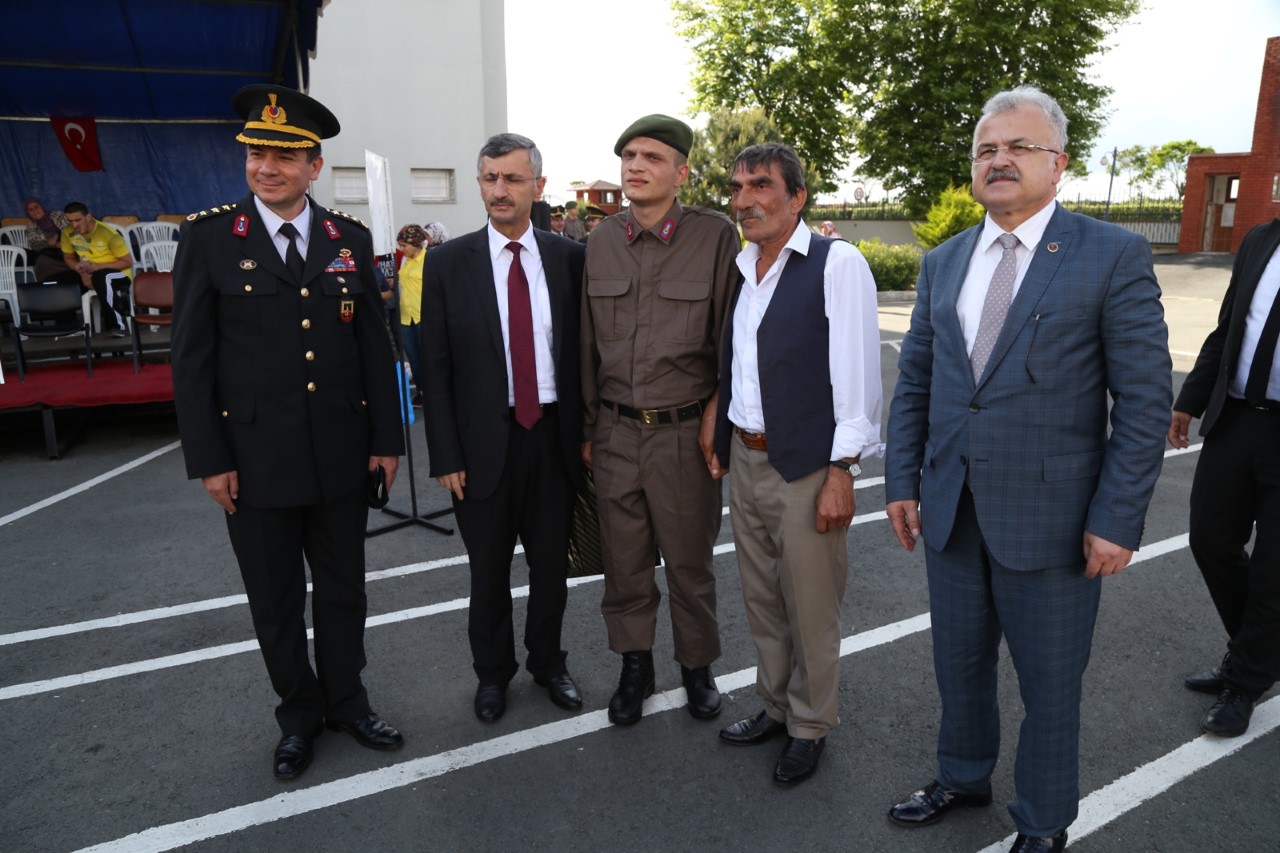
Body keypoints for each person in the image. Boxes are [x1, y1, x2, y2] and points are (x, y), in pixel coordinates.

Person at [884, 86, 1171, 853]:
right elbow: (917, 381)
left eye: (1018, 146)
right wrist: (903, 480)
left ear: (1058, 163)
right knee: (959, 662)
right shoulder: (944, 262)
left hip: (1054, 522)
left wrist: (1116, 517)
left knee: (1050, 685)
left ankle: (1043, 822)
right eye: (986, 148)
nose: (999, 159)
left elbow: (1145, 399)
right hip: (952, 508)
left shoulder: (1109, 254)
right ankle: (962, 774)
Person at [170, 84, 406, 781]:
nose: (266, 168)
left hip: (340, 453)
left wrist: (386, 441)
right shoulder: (211, 237)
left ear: (314, 166)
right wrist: (209, 459)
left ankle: (348, 702)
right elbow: (191, 359)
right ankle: (299, 715)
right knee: (275, 600)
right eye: (255, 154)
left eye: (283, 156)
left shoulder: (347, 239)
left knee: (343, 589)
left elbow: (374, 348)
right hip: (254, 460)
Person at [711, 143, 882, 785]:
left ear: (798, 197)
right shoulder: (742, 267)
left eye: (761, 185)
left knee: (810, 606)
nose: (745, 200)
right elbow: (739, 365)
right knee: (762, 598)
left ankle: (810, 725)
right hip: (745, 455)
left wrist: (842, 471)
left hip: (807, 464)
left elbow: (858, 380)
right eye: (737, 188)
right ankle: (777, 706)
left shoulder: (837, 264)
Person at [421, 133, 586, 723]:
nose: (499, 189)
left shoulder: (569, 259)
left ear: (538, 186)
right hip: (480, 447)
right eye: (490, 178)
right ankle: (492, 674)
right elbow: (434, 368)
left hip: (553, 437)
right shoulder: (446, 264)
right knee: (487, 572)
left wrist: (588, 435)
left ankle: (548, 663)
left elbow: (584, 354)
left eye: (513, 179)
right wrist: (445, 455)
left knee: (551, 569)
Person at [581, 114, 740, 726]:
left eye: (651, 157)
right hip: (615, 433)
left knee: (689, 563)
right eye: (628, 156)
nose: (635, 166)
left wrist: (718, 415)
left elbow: (732, 338)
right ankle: (635, 666)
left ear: (682, 172)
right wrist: (589, 430)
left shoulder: (714, 236)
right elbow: (586, 346)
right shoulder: (601, 240)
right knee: (623, 564)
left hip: (682, 434)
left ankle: (697, 667)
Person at [1169, 218, 1280, 739]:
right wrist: (1190, 399)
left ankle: (1245, 680)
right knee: (1211, 539)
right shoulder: (1261, 239)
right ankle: (1259, 654)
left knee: (1275, 568)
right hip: (1236, 417)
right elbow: (1228, 327)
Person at [60, 201, 133, 336]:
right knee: (58, 280)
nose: (74, 225)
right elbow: (68, 257)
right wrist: (82, 274)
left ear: (88, 217)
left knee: (101, 277)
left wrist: (98, 267)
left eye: (78, 220)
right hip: (88, 272)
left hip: (119, 273)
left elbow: (128, 262)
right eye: (70, 221)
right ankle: (68, 327)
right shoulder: (67, 232)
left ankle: (118, 325)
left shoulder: (107, 233)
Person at [395, 223, 428, 405]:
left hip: (424, 316)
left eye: (404, 245)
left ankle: (434, 391)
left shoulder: (428, 259)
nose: (402, 249)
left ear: (415, 243)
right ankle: (422, 391)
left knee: (428, 357)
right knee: (413, 358)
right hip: (406, 317)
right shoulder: (405, 261)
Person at [21, 198, 73, 280]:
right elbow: (34, 245)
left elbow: (72, 228)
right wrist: (52, 244)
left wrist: (58, 237)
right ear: (28, 213)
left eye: (36, 207)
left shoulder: (58, 215)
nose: (35, 211)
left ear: (41, 207)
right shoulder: (31, 227)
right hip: (54, 254)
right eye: (31, 210)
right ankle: (48, 285)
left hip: (71, 246)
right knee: (42, 261)